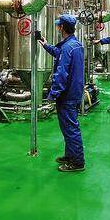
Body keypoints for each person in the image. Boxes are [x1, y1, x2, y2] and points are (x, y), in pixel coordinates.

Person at [37, 14, 86, 172]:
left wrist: (53, 93)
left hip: (67, 94)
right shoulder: (75, 44)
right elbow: (59, 54)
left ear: (62, 27)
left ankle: (77, 162)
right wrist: (46, 45)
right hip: (75, 91)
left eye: (59, 25)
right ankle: (70, 155)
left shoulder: (67, 47)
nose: (57, 27)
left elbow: (61, 73)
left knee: (70, 128)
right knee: (68, 127)